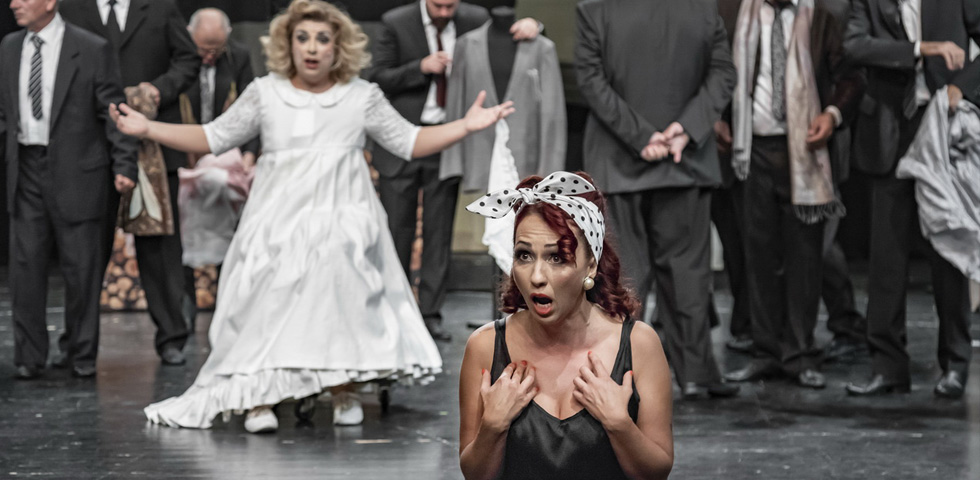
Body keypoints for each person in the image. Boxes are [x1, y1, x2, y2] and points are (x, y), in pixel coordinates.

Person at [111, 0, 514, 433]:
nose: (312, 47)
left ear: (338, 47)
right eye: (302, 38)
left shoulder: (360, 96)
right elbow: (213, 136)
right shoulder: (266, 93)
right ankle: (259, 396)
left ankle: (343, 389)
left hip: (342, 218)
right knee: (267, 301)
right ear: (288, 44)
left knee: (341, 294)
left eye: (323, 39)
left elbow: (409, 141)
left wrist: (466, 126)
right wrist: (148, 128)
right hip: (277, 220)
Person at [458, 171, 673, 480]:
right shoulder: (484, 346)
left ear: (591, 265)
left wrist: (619, 424)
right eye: (524, 255)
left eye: (557, 258)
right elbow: (475, 475)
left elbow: (657, 472)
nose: (536, 276)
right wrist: (492, 426)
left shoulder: (640, 345)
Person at [575, 0, 739, 400]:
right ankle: (696, 373)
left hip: (617, 161)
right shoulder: (702, 8)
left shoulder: (595, 8)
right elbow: (723, 74)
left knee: (622, 275)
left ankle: (619, 372)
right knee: (686, 272)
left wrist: (642, 136)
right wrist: (685, 129)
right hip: (686, 161)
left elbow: (591, 80)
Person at [366, 0, 541, 342]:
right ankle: (395, 313)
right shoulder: (395, 22)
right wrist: (420, 67)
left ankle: (430, 314)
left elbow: (502, 40)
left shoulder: (474, 18)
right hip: (401, 141)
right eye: (438, 5)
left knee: (439, 231)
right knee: (397, 231)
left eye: (451, 6)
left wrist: (536, 27)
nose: (445, 12)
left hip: (448, 141)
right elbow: (378, 78)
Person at [720, 0, 865, 389]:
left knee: (805, 258)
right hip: (751, 152)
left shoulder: (822, 17)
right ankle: (765, 352)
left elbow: (851, 77)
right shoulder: (735, 12)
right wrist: (719, 118)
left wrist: (832, 114)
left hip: (804, 153)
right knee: (758, 257)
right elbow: (716, 71)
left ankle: (799, 354)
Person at [843, 0, 980, 398]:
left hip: (941, 127)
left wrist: (962, 86)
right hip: (890, 128)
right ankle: (887, 366)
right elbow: (854, 45)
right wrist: (920, 49)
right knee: (886, 256)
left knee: (947, 248)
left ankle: (955, 363)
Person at [2, 0, 137, 379]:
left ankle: (80, 353)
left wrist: (124, 165)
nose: (14, 4)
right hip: (26, 167)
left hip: (78, 171)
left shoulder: (91, 48)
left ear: (49, 2)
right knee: (25, 268)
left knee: (81, 269)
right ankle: (29, 357)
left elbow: (113, 110)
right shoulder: (9, 47)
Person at [60, 0, 200, 366]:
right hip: (91, 144)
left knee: (160, 250)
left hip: (153, 143)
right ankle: (77, 343)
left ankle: (171, 337)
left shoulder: (160, 8)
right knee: (86, 250)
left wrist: (159, 89)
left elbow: (188, 59)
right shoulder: (71, 9)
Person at [180, 7, 260, 326]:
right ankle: (185, 302)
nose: (210, 56)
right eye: (203, 48)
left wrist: (250, 155)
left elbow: (252, 109)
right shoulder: (177, 56)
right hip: (184, 152)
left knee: (230, 221)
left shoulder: (238, 56)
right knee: (184, 230)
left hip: (227, 155)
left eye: (216, 49)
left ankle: (227, 298)